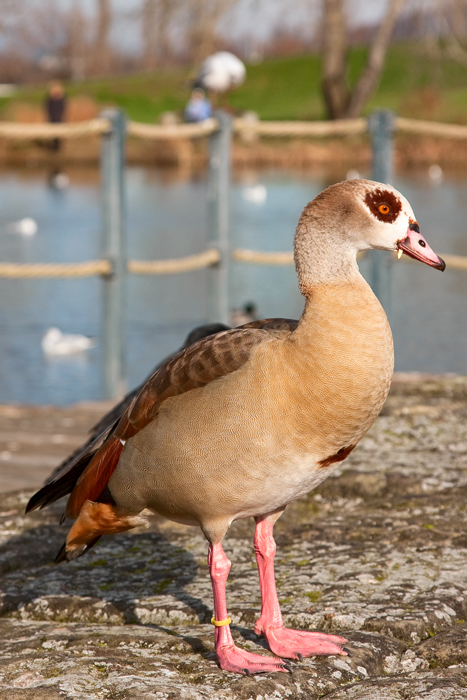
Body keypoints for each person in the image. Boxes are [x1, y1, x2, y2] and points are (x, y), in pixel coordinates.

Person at [45, 81, 67, 151]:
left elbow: (63, 109)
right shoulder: (49, 100)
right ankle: (54, 146)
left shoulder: (61, 100)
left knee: (58, 135)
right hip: (52, 119)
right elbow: (48, 109)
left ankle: (57, 147)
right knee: (53, 135)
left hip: (59, 119)